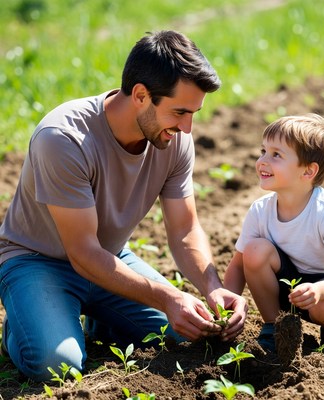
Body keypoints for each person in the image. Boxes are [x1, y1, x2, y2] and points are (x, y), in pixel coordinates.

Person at [0, 30, 247, 381]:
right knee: (57, 366)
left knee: (192, 334)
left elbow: (185, 229)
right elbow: (82, 252)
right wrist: (165, 297)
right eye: (179, 112)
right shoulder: (63, 139)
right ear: (141, 95)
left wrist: (212, 288)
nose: (188, 127)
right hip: (37, 262)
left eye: (194, 113)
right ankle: (22, 322)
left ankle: (102, 318)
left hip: (109, 259)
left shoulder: (174, 138)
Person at [224, 113, 324, 353]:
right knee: (254, 251)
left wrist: (320, 290)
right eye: (263, 151)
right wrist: (225, 308)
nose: (263, 160)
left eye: (276, 155)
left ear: (308, 172)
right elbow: (239, 265)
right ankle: (274, 326)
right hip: (292, 284)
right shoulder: (261, 210)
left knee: (323, 308)